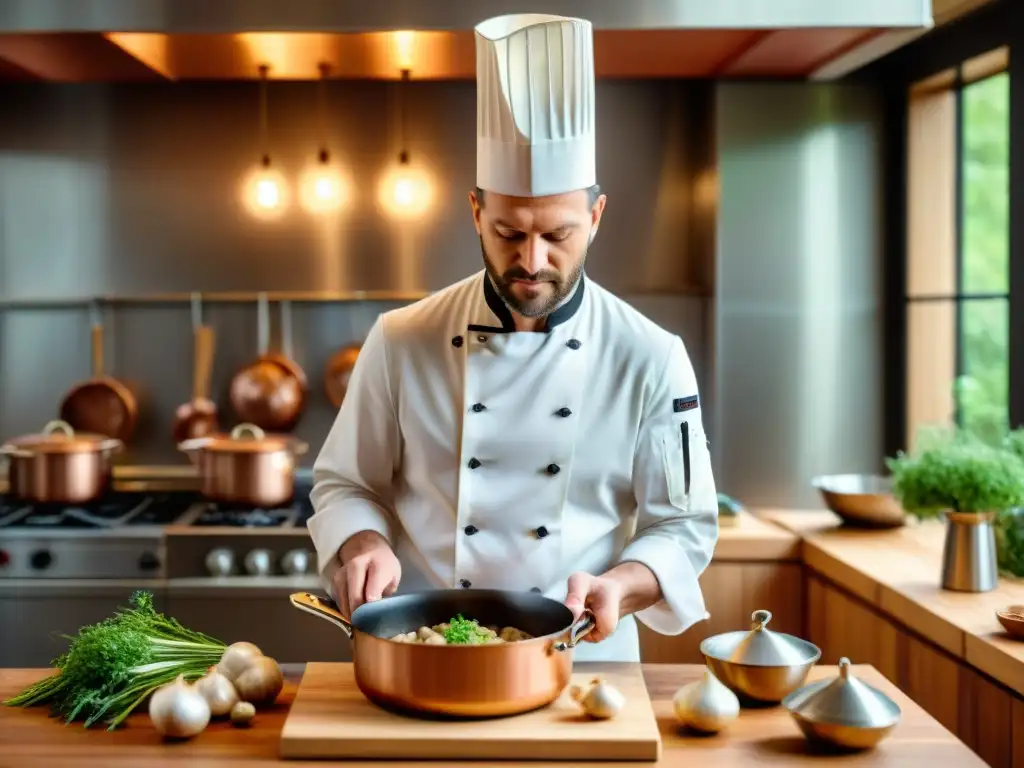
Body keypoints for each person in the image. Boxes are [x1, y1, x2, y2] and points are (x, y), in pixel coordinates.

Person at [306, 12, 719, 662]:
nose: (531, 259)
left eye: (557, 235)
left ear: (596, 216)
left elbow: (684, 524)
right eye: (507, 232)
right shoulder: (400, 339)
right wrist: (360, 541)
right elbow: (344, 484)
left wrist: (622, 585)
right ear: (476, 211)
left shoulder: (651, 355)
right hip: (426, 654)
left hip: (583, 665)